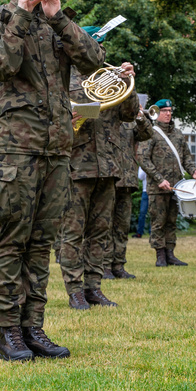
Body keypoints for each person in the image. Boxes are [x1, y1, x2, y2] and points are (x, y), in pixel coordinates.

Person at [0, 0, 104, 361]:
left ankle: (34, 327)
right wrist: (21, 16)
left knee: (40, 245)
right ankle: (8, 332)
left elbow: (93, 62)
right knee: (12, 243)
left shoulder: (57, 22)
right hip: (13, 153)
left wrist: (60, 20)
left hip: (55, 153)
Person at [60, 54, 138, 309]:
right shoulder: (65, 80)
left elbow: (130, 115)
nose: (98, 54)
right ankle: (74, 289)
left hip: (109, 166)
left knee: (100, 231)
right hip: (77, 167)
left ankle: (93, 287)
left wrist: (128, 82)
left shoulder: (112, 79)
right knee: (73, 233)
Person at [136, 99, 196, 267]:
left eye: (170, 110)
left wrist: (194, 170)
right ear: (156, 113)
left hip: (177, 187)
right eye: (164, 110)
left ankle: (170, 254)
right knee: (158, 222)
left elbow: (186, 157)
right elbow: (143, 159)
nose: (168, 113)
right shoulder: (150, 132)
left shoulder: (178, 134)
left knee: (171, 221)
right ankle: (160, 256)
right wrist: (159, 179)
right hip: (157, 187)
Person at [105, 95, 153, 280]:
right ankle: (104, 266)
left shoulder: (132, 121)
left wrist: (140, 116)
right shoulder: (108, 117)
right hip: (109, 178)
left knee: (122, 226)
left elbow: (148, 134)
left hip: (127, 180)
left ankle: (118, 265)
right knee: (105, 226)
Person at [133, 167, 149, 238]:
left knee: (155, 212)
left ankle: (153, 232)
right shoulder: (143, 164)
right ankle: (139, 232)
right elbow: (140, 176)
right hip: (145, 191)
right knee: (142, 212)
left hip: (156, 191)